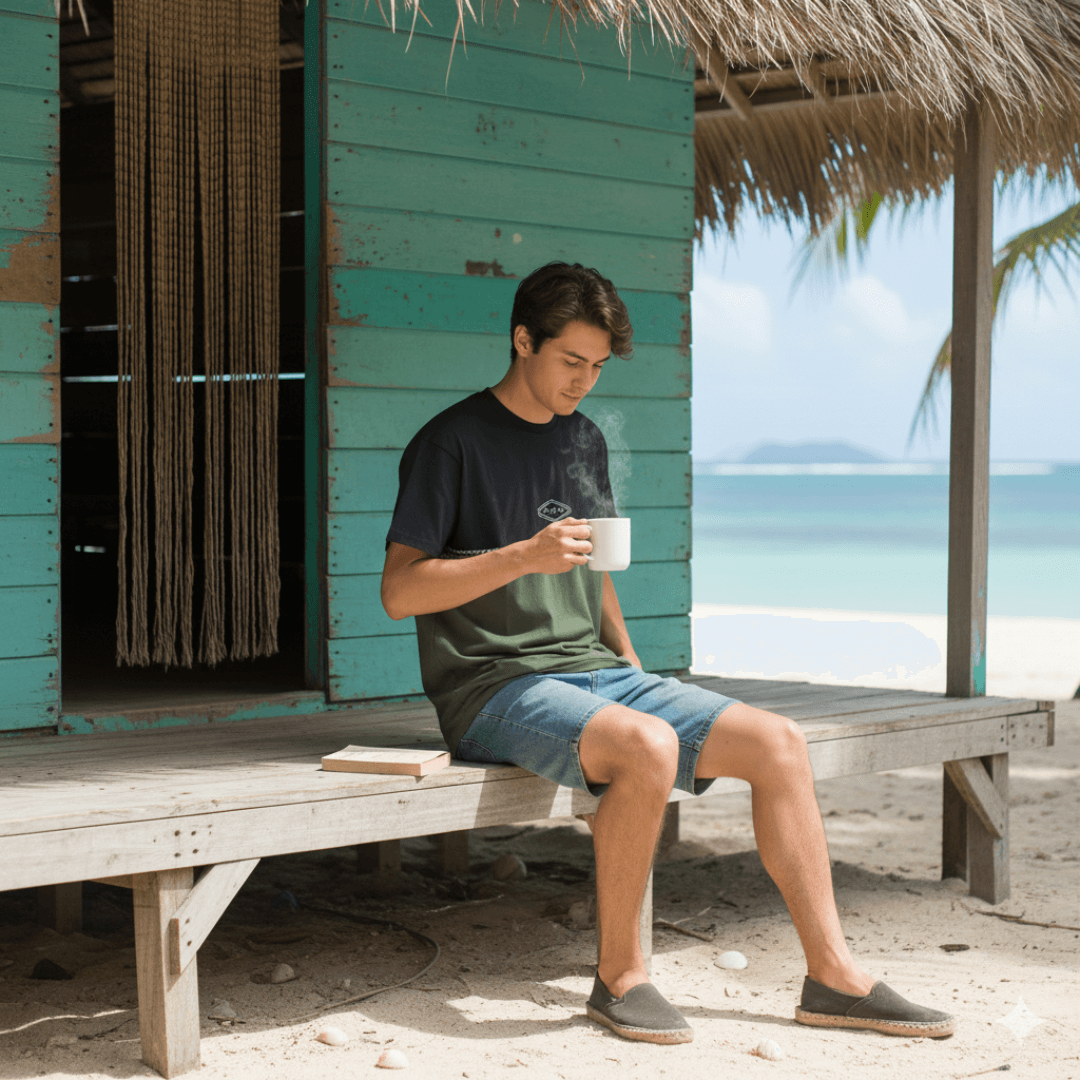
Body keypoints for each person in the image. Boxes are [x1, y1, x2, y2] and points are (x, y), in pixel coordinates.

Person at [380, 262, 954, 1045]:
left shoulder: (582, 438)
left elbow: (594, 574)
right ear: (522, 340)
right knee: (645, 747)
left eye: (597, 367)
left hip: (597, 673)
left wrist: (634, 669)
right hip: (493, 683)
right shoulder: (450, 444)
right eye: (569, 361)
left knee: (780, 743)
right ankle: (621, 978)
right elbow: (400, 592)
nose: (583, 382)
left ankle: (833, 976)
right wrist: (520, 557)